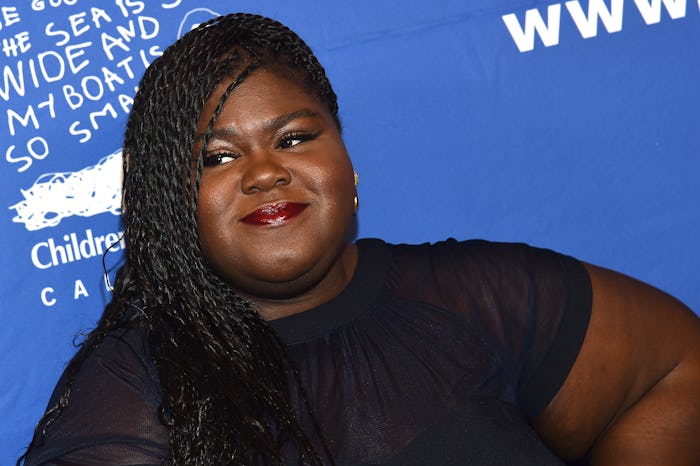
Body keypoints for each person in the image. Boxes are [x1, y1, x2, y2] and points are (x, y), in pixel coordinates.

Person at [20, 12, 700, 466]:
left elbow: (674, 372)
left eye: (293, 139)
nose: (265, 172)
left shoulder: (473, 295)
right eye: (217, 158)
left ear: (346, 165)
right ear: (166, 205)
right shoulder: (137, 382)